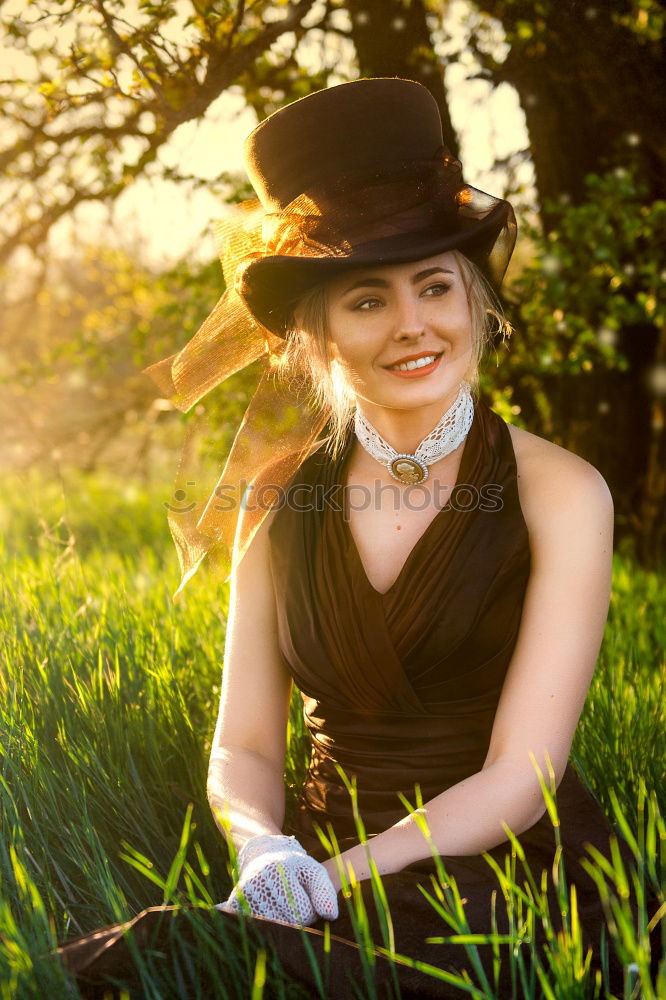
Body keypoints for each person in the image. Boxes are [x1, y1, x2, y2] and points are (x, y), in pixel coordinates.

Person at [57, 78, 657, 999]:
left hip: (503, 871)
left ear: (478, 300)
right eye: (367, 300)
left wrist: (326, 888)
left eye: (434, 286)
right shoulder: (276, 497)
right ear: (316, 332)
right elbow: (246, 747)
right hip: (315, 858)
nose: (413, 324)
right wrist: (264, 853)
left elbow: (521, 775)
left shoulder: (563, 493)